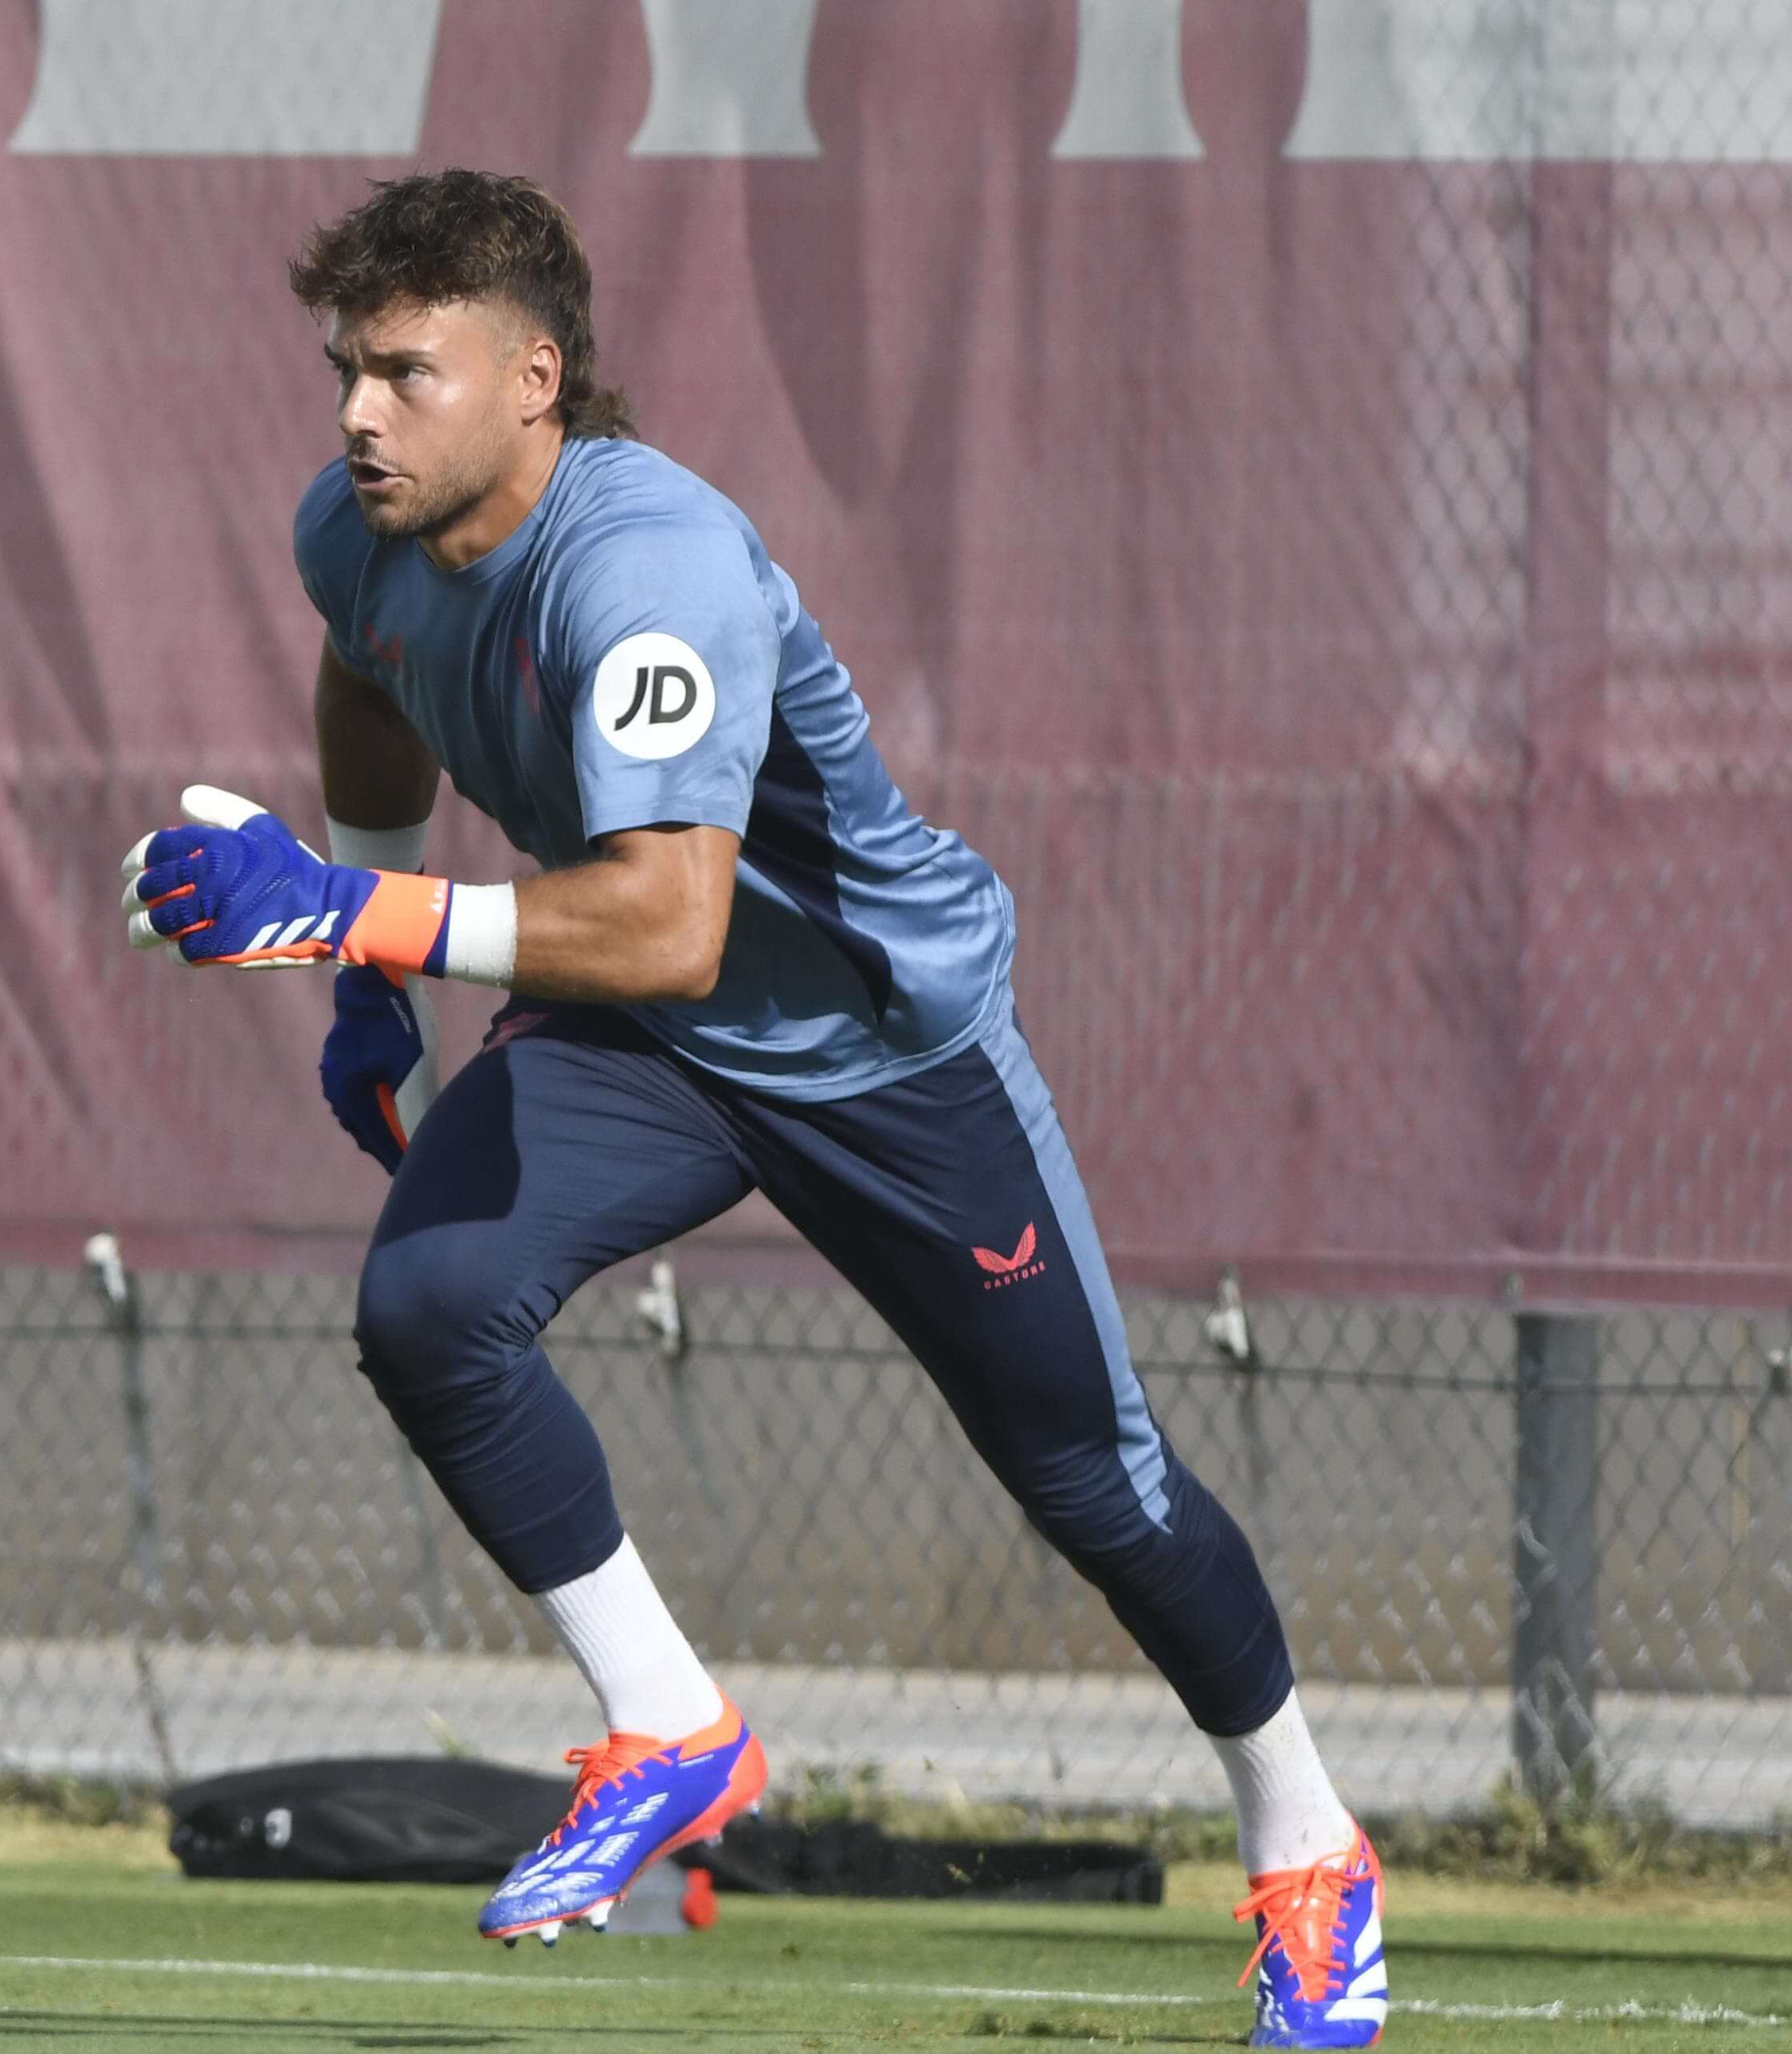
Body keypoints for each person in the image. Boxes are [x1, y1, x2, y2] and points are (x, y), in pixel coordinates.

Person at [120, 168, 1386, 2047]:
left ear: (534, 376)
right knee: (424, 1309)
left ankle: (1310, 1845)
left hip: (876, 1047)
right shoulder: (360, 532)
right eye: (344, 371)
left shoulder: (656, 562)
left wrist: (349, 907)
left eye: (404, 372)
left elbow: (671, 914)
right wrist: (372, 968)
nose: (357, 416)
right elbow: (371, 682)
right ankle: (673, 1721)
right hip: (645, 1041)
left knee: (1093, 1485)